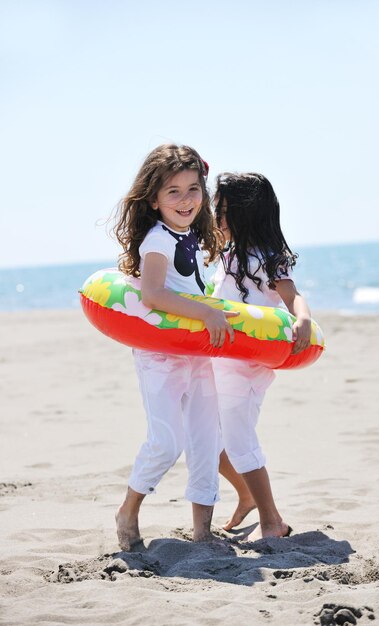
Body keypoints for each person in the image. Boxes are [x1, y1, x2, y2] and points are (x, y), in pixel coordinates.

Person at [113, 144, 238, 549]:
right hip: (162, 357)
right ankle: (128, 510)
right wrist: (206, 315)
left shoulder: (194, 237)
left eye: (193, 189)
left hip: (197, 356)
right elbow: (152, 294)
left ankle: (203, 531)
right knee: (167, 442)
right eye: (173, 192)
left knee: (205, 441)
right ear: (153, 199)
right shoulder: (157, 240)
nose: (186, 200)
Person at [211, 172, 312, 541]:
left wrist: (302, 318)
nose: (216, 217)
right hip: (219, 362)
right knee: (208, 442)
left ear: (244, 213)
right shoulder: (225, 256)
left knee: (239, 443)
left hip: (248, 367)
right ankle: (247, 496)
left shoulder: (268, 258)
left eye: (222, 210)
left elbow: (291, 296)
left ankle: (273, 522)